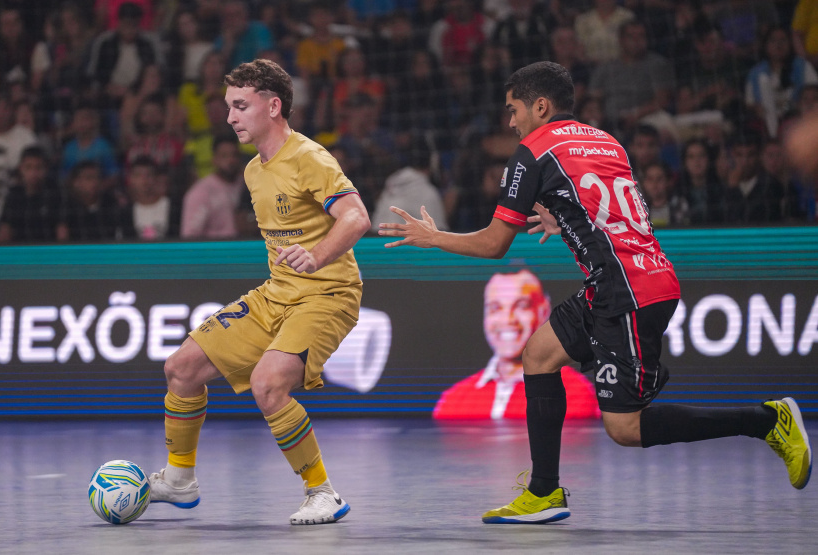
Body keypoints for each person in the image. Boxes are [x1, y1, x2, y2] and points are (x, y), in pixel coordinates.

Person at [379, 61, 811, 525]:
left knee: (625, 428)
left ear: (540, 106)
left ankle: (768, 421)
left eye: (513, 109)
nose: (511, 122)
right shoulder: (605, 140)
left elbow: (494, 244)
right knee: (538, 355)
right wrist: (563, 218)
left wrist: (434, 237)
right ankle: (543, 492)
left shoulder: (532, 151)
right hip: (630, 280)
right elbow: (613, 209)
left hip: (627, 293)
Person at [148, 59, 370, 525]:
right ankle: (179, 480)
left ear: (273, 107)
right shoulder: (253, 170)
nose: (230, 117)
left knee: (268, 385)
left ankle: (323, 493)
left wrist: (317, 256)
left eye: (241, 106)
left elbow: (356, 217)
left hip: (328, 294)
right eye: (229, 106)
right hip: (277, 294)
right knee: (181, 368)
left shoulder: (309, 158)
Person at [433, 271, 599, 420]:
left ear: (543, 311)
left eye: (521, 306)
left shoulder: (577, 395)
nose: (508, 320)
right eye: (495, 308)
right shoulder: (452, 400)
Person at [180, 135, 244, 239]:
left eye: (234, 155)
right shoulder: (201, 192)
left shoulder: (248, 185)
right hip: (215, 248)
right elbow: (190, 237)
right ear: (214, 159)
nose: (231, 160)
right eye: (224, 156)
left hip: (249, 246)